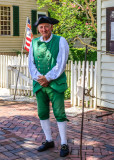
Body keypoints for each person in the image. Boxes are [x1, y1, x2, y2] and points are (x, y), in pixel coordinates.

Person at [28, 16, 69, 157]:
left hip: (55, 84)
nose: (43, 29)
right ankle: (49, 140)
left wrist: (48, 78)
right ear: (38, 29)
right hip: (40, 84)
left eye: (46, 26)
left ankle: (64, 143)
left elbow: (61, 63)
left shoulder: (60, 41)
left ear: (51, 27)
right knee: (42, 113)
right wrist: (40, 79)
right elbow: (31, 64)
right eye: (41, 27)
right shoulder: (33, 43)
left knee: (59, 113)